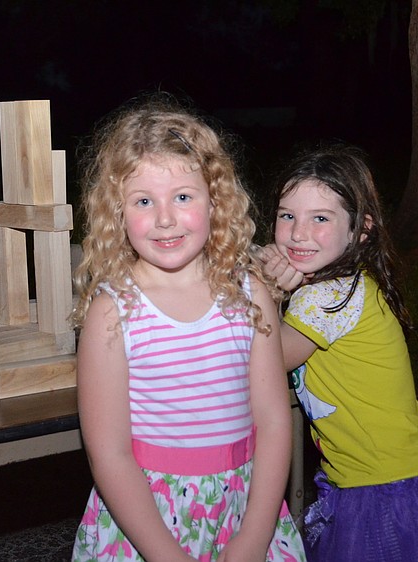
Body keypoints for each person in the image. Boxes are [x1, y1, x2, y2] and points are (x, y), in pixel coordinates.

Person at [69, 94, 307, 562]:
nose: (164, 219)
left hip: (245, 511)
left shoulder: (248, 294)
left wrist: (254, 539)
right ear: (117, 213)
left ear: (214, 200)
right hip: (147, 526)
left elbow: (275, 422)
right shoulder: (112, 313)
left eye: (182, 196)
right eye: (143, 201)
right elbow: (110, 456)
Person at [259, 143, 418, 561]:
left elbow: (265, 358)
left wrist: (257, 284)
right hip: (407, 477)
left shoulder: (329, 295)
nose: (297, 233)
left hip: (386, 488)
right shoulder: (352, 281)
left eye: (320, 218)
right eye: (287, 215)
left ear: (361, 230)